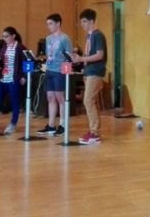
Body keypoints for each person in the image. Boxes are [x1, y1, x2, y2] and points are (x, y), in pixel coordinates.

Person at [71, 8, 107, 145]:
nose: (83, 24)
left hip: (95, 72)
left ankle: (95, 132)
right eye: (81, 22)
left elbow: (99, 54)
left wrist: (81, 59)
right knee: (93, 102)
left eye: (85, 21)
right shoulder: (89, 36)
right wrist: (79, 58)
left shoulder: (98, 35)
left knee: (87, 101)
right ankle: (94, 131)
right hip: (88, 71)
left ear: (92, 21)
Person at [37, 13, 72, 136]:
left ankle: (63, 124)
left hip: (59, 70)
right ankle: (51, 125)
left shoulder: (65, 38)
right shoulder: (48, 38)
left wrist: (66, 70)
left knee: (60, 97)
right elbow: (49, 54)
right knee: (50, 97)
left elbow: (69, 55)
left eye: (51, 23)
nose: (49, 26)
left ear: (58, 24)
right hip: (50, 69)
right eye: (47, 24)